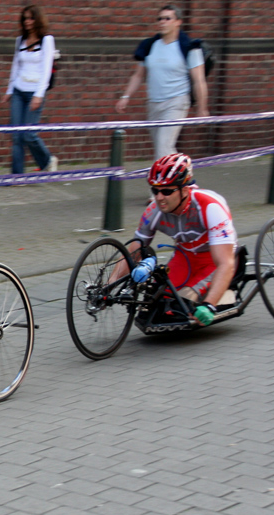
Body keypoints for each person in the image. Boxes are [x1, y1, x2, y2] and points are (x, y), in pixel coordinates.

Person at [125, 153, 236, 326]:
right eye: (155, 190)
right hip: (184, 256)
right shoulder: (153, 211)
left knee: (183, 302)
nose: (159, 197)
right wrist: (106, 289)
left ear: (185, 190)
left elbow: (225, 263)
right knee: (156, 301)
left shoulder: (210, 207)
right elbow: (134, 252)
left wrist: (209, 305)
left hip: (213, 259)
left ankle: (223, 295)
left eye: (167, 191)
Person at [115, 4, 210, 159]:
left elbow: (199, 80)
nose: (162, 22)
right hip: (153, 103)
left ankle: (165, 182)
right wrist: (126, 96)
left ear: (178, 22)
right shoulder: (150, 46)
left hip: (176, 102)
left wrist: (202, 108)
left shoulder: (190, 48)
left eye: (168, 18)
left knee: (163, 147)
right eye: (160, 19)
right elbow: (138, 75)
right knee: (163, 148)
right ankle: (183, 177)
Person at [3, 5, 58, 174]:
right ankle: (17, 176)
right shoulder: (20, 40)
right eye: (25, 18)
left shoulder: (47, 40)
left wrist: (39, 95)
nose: (27, 22)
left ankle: (47, 160)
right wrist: (9, 89)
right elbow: (16, 66)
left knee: (29, 135)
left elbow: (46, 69)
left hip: (35, 91)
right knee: (16, 135)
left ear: (38, 20)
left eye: (31, 18)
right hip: (19, 90)